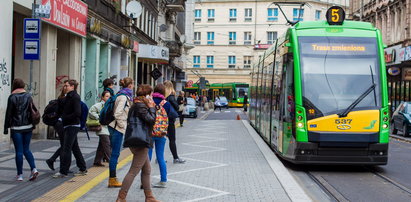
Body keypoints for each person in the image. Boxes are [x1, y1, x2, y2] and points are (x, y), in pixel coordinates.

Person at [116, 84, 159, 202]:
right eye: (150, 94)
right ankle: (121, 197)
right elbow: (151, 120)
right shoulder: (141, 106)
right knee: (133, 171)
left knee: (147, 170)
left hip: (137, 140)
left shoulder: (136, 104)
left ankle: (149, 197)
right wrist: (151, 108)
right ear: (146, 95)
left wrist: (151, 107)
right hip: (141, 142)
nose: (151, 97)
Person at [4, 78, 39, 181]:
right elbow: (32, 111)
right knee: (26, 149)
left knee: (19, 151)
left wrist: (6, 128)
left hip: (16, 127)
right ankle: (34, 169)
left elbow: (8, 114)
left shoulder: (12, 97)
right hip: (28, 126)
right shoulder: (28, 96)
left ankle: (20, 175)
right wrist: (33, 125)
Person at [53, 79, 87, 178]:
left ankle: (63, 171)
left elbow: (77, 113)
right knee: (75, 147)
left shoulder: (75, 97)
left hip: (72, 125)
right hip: (69, 125)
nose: (65, 87)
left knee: (66, 148)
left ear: (72, 87)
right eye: (65, 85)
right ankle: (83, 168)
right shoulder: (68, 97)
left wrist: (64, 118)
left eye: (67, 85)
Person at [150, 84, 178, 188]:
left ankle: (144, 181)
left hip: (150, 132)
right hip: (161, 133)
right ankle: (163, 180)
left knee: (147, 158)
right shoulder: (166, 103)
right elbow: (173, 115)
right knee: (160, 157)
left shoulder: (150, 101)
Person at [108, 77, 134, 187]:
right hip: (117, 128)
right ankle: (112, 179)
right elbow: (118, 113)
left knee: (114, 153)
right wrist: (123, 126)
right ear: (130, 85)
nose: (133, 86)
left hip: (114, 127)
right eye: (132, 84)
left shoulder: (121, 94)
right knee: (115, 154)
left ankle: (112, 178)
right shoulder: (123, 97)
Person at [45, 80, 68, 171]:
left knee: (65, 145)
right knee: (65, 145)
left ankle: (55, 161)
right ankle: (53, 161)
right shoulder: (65, 99)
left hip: (58, 123)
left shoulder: (61, 97)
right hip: (61, 124)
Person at [164, 81, 185, 164]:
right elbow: (176, 106)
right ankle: (175, 158)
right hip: (170, 120)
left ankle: (159, 158)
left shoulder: (161, 96)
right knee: (172, 139)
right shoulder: (171, 96)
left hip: (161, 120)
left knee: (160, 140)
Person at [89, 91, 112, 167]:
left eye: (109, 96)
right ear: (102, 97)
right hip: (101, 127)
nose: (108, 98)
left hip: (107, 127)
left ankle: (97, 161)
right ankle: (111, 160)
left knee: (101, 145)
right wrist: (99, 117)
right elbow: (91, 112)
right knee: (107, 144)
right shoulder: (98, 105)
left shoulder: (110, 105)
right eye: (106, 96)